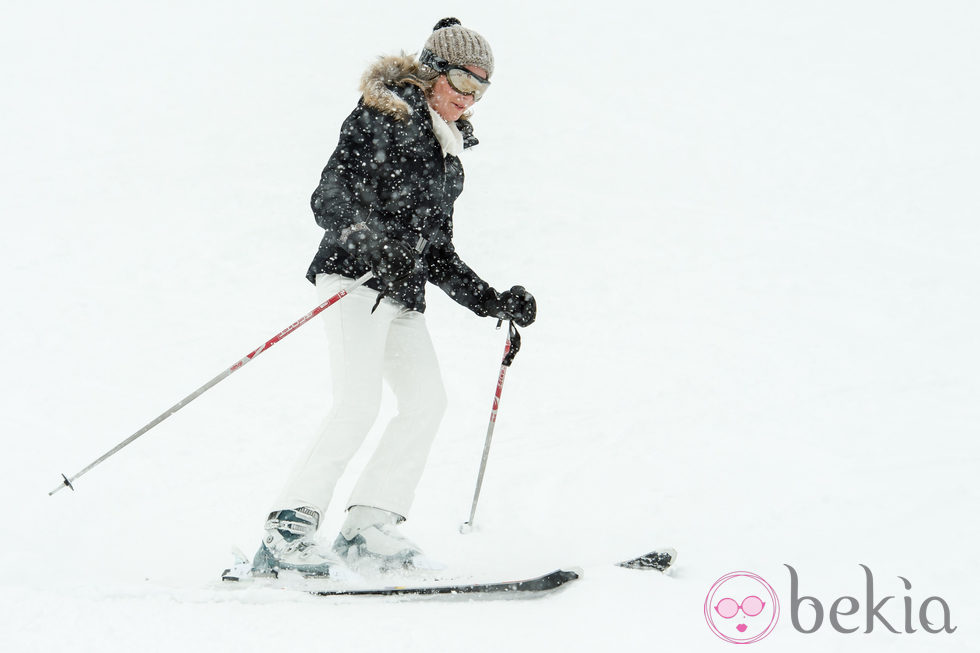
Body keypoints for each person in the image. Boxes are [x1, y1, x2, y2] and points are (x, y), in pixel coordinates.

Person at [252, 18, 536, 578]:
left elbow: (438, 253)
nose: (468, 97)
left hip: (401, 295)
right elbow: (328, 197)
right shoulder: (384, 116)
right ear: (432, 71)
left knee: (426, 401)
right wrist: (374, 243)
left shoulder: (446, 154)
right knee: (357, 403)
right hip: (354, 282)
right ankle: (287, 530)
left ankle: (366, 529)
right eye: (461, 81)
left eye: (481, 89)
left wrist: (494, 301)